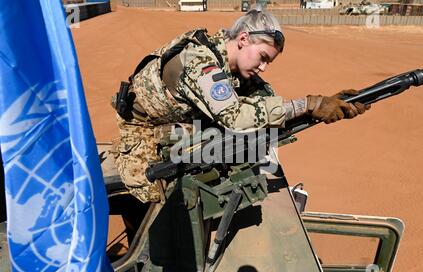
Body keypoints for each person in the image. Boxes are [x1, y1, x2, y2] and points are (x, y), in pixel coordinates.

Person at [111, 8, 370, 204]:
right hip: (145, 132)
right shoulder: (202, 63)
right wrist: (308, 104)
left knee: (241, 140)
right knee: (166, 198)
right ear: (244, 39)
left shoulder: (232, 63)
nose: (263, 67)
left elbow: (268, 105)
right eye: (263, 58)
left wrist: (331, 103)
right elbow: (236, 117)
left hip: (182, 121)